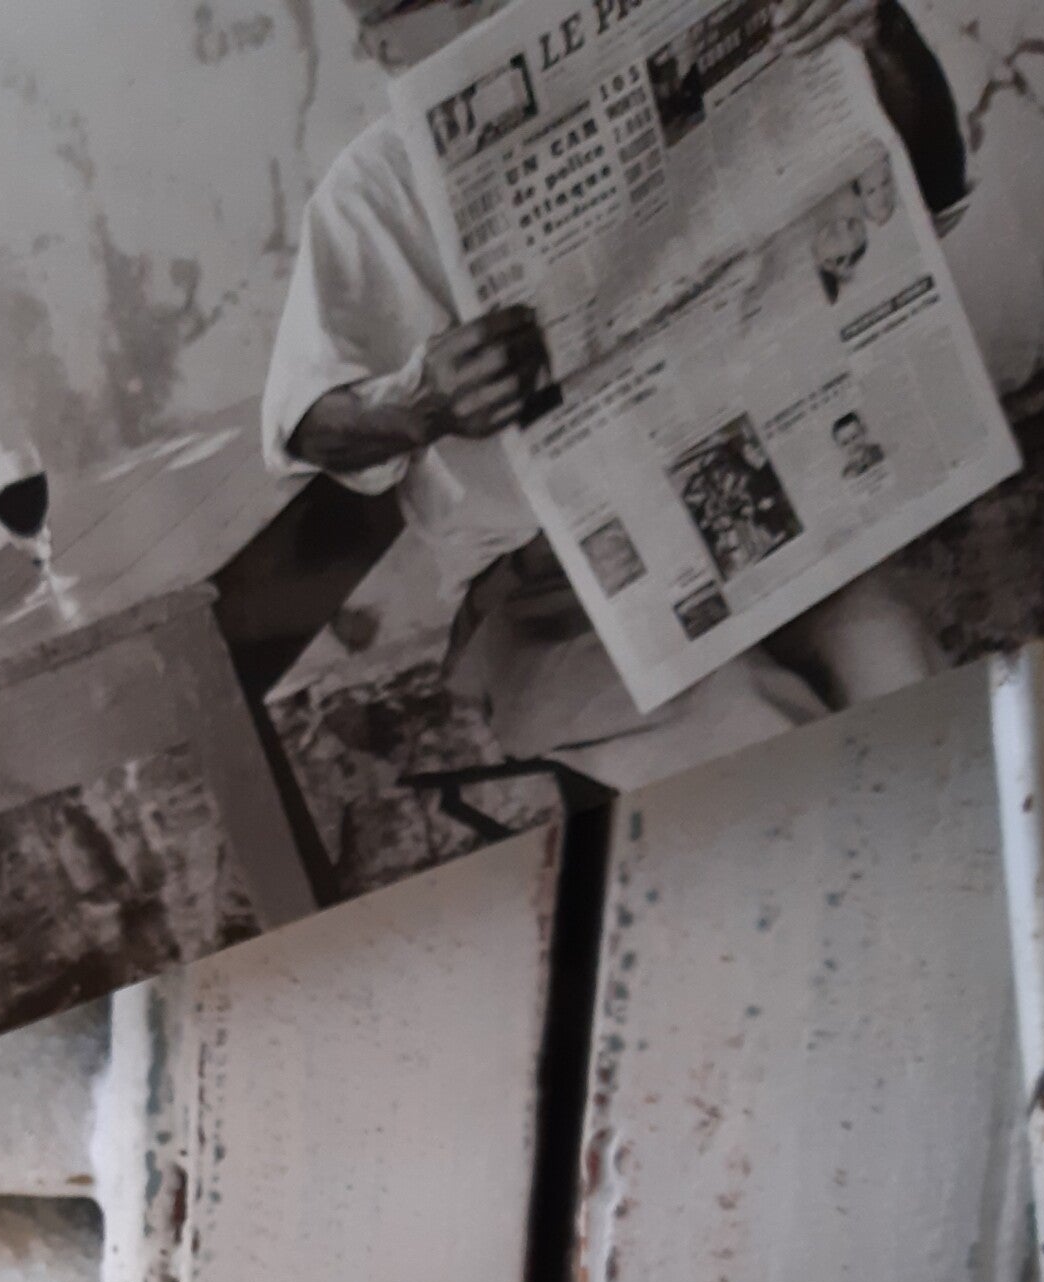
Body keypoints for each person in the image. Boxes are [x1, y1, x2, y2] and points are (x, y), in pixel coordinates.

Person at [265, 0, 968, 789]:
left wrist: (885, 35)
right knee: (761, 740)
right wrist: (421, 406)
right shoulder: (369, 190)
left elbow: (929, 192)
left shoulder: (675, 54)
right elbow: (307, 423)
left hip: (763, 518)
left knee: (907, 682)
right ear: (376, 41)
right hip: (552, 594)